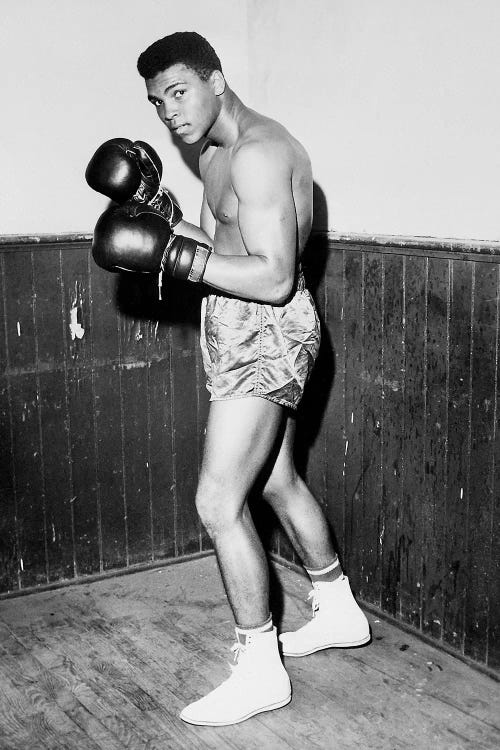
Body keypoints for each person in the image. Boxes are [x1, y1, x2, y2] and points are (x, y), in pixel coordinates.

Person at [87, 31, 370, 727]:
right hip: (236, 325)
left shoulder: (262, 153)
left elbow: (273, 278)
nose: (170, 113)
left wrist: (175, 258)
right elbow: (227, 249)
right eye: (157, 103)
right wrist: (168, 220)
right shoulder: (215, 158)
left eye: (179, 92)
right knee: (274, 478)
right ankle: (338, 608)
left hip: (265, 329)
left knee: (218, 500)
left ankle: (258, 664)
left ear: (216, 80)